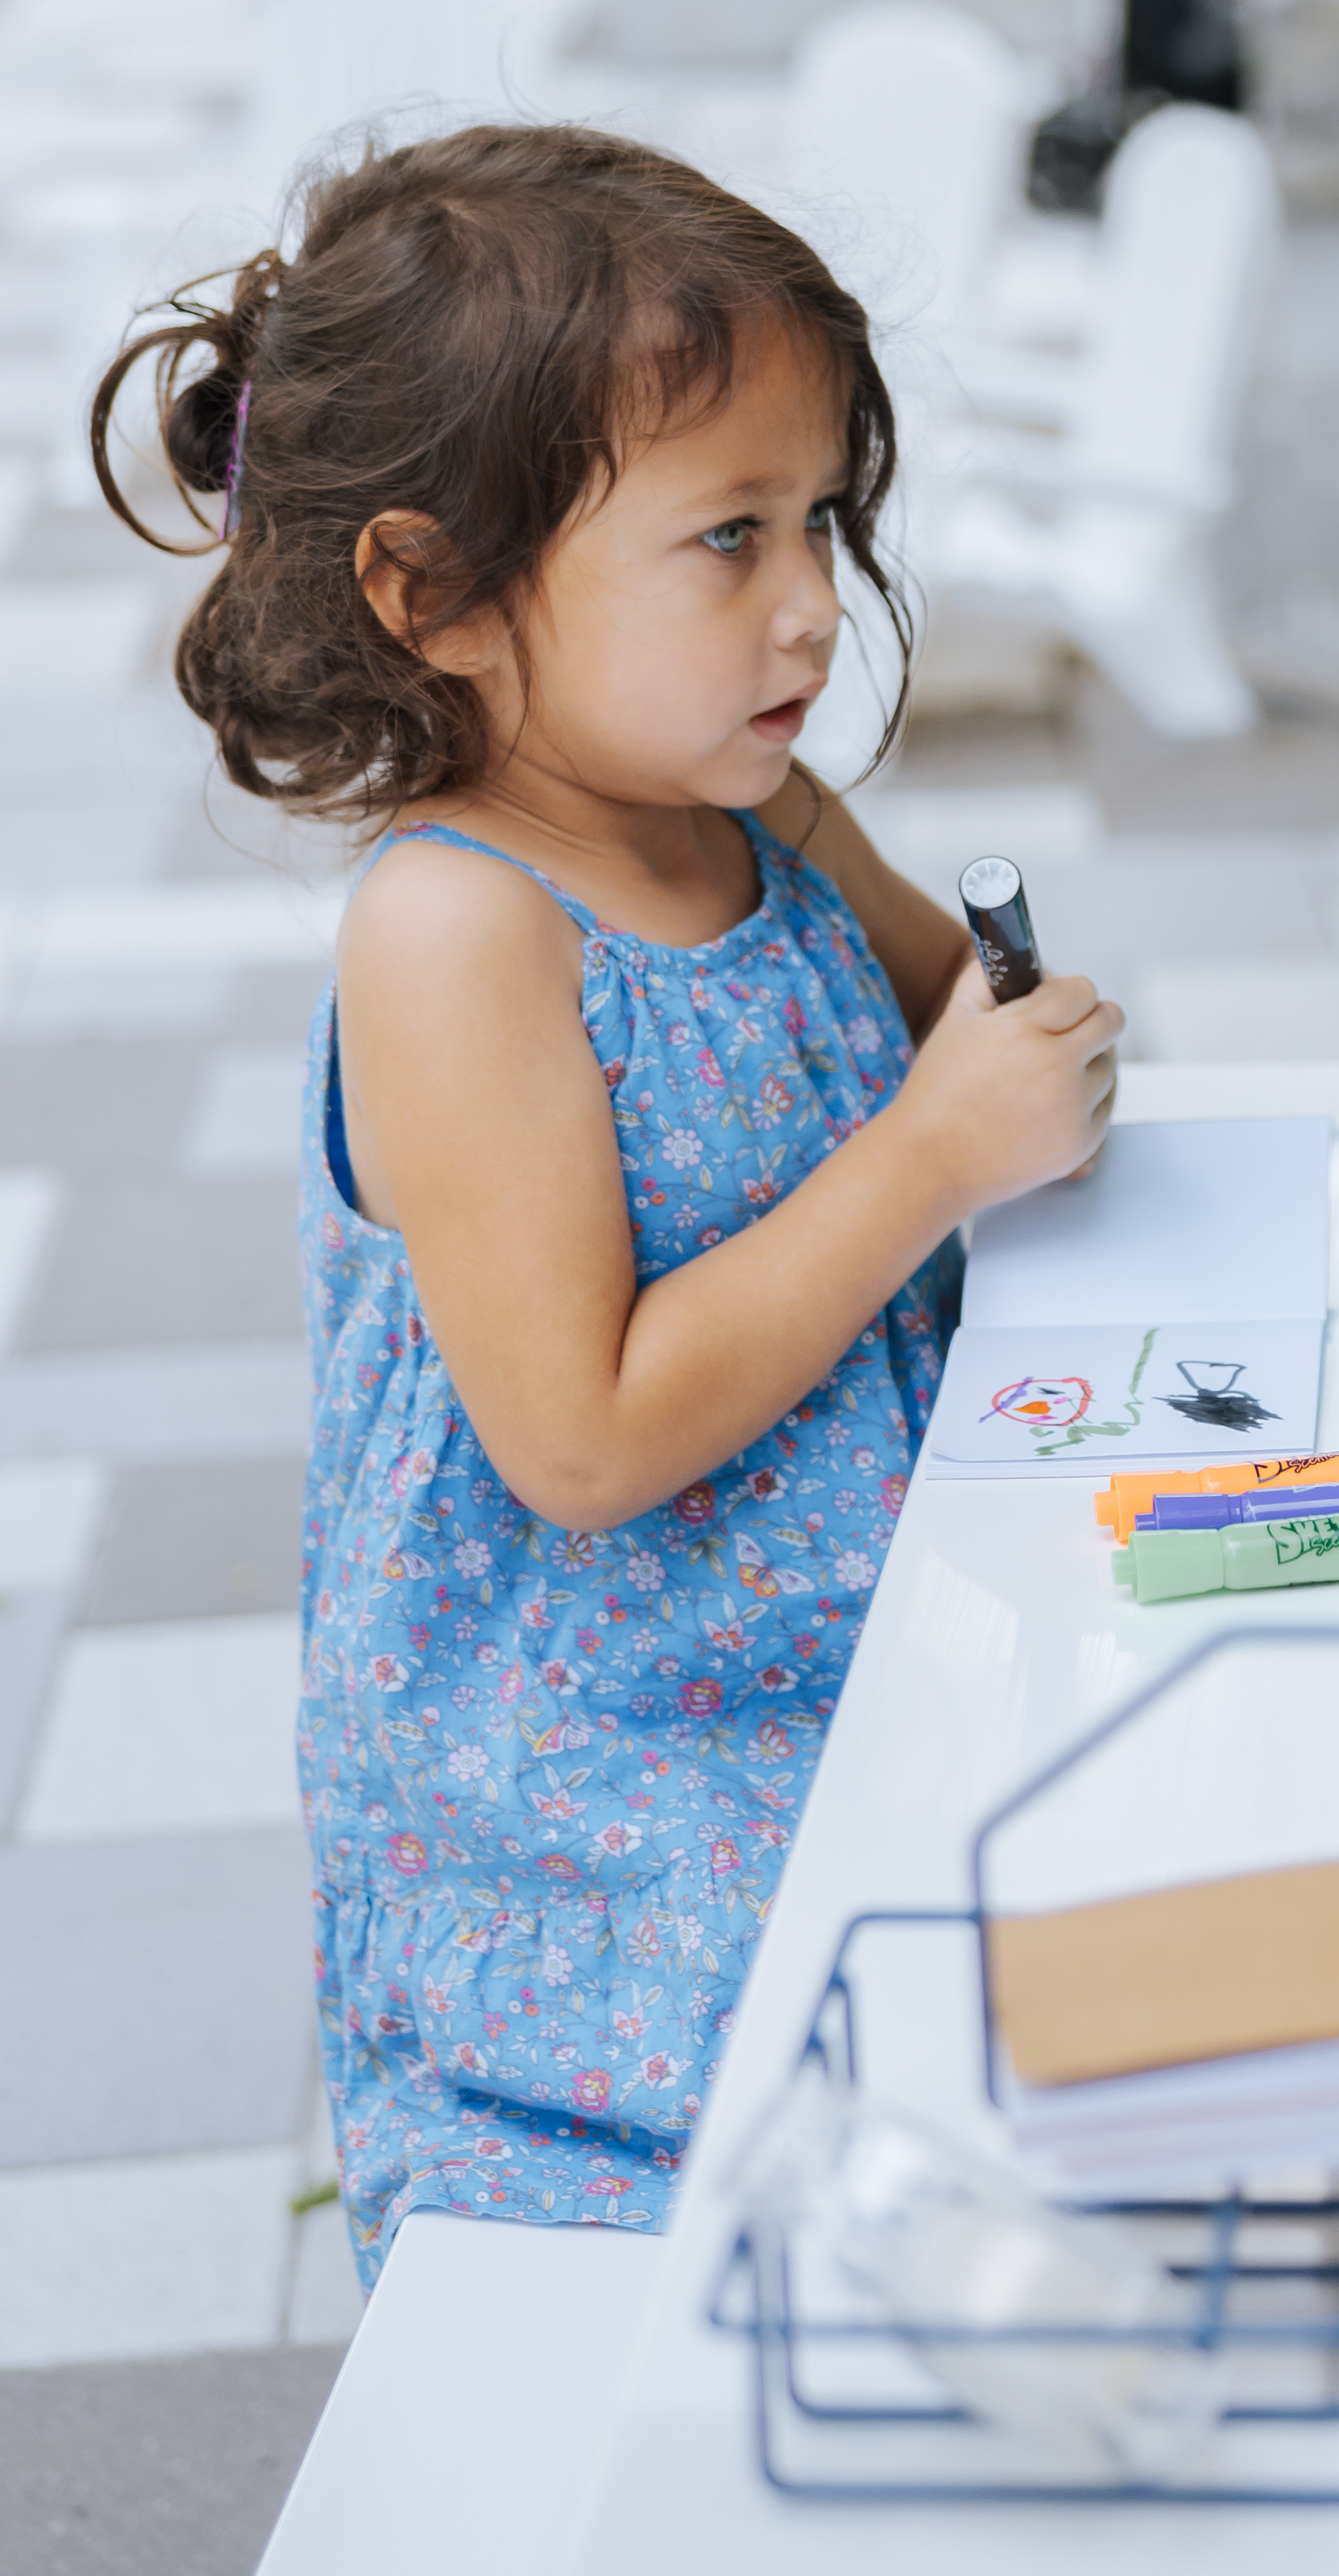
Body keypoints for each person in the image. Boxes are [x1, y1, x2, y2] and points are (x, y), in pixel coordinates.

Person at [90, 124, 1121, 2280]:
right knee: (767, 2252)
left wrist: (1013, 1044)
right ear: (434, 592)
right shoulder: (460, 934)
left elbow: (955, 1015)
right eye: (728, 536)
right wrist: (935, 1149)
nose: (817, 602)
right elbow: (581, 1434)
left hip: (858, 1637)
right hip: (602, 1792)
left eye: (825, 515)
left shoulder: (761, 804)